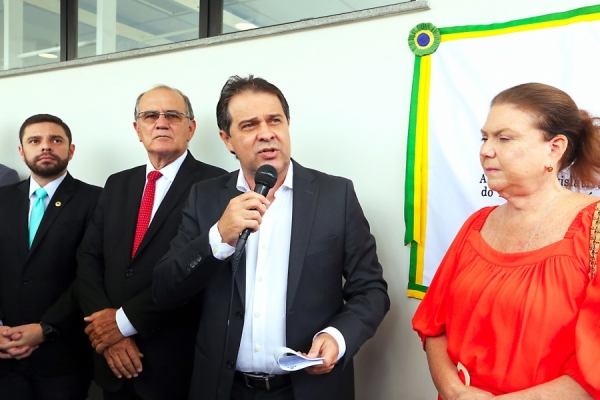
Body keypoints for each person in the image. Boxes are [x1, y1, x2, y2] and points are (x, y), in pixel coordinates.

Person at [153, 75, 390, 400]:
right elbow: (166, 287)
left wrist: (338, 336)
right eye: (250, 125)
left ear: (287, 124)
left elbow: (371, 290)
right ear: (227, 139)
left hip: (308, 390)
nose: (266, 133)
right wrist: (218, 237)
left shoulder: (336, 195)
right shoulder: (204, 198)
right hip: (225, 388)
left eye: (274, 120)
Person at [412, 82, 600, 399]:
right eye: (485, 137)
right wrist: (455, 391)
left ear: (554, 148)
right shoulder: (477, 225)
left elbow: (593, 369)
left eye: (504, 137)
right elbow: (435, 328)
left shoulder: (592, 231)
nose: (486, 150)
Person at [76, 85, 227, 400]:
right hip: (111, 361)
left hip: (174, 363)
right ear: (137, 129)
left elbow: (201, 272)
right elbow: (89, 258)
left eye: (172, 115)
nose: (161, 122)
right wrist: (109, 332)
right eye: (150, 116)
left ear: (191, 128)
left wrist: (123, 324)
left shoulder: (216, 185)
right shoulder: (117, 183)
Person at [0, 114, 101, 399]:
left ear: (71, 150)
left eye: (56, 140)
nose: (45, 147)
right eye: (35, 141)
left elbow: (90, 275)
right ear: (21, 151)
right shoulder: (2, 198)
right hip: (4, 357)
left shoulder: (97, 200)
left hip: (63, 359)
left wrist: (46, 329)